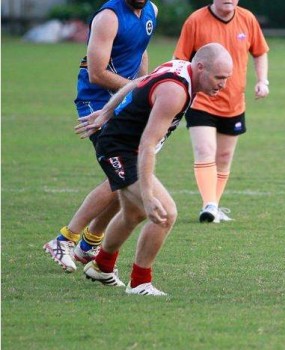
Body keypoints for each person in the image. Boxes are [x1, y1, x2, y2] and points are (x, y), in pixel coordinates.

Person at [76, 43, 233, 296]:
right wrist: (148, 197)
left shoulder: (182, 67)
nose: (223, 84)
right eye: (219, 77)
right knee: (165, 213)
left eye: (227, 78)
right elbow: (147, 144)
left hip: (126, 146)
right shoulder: (175, 91)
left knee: (133, 214)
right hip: (121, 150)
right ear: (201, 67)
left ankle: (102, 267)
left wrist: (106, 111)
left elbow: (136, 83)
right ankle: (140, 283)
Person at [43, 0, 157, 273]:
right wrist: (141, 87)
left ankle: (88, 243)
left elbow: (140, 53)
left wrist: (142, 95)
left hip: (125, 101)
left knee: (123, 175)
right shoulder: (108, 17)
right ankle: (64, 240)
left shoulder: (152, 10)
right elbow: (97, 73)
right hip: (96, 104)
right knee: (126, 173)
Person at [173, 0, 269, 223]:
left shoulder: (247, 19)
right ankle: (210, 205)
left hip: (234, 102)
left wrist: (263, 81)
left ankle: (213, 206)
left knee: (224, 157)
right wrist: (180, 92)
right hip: (201, 101)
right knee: (205, 150)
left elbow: (260, 51)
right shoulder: (195, 21)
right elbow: (180, 60)